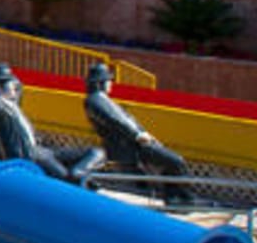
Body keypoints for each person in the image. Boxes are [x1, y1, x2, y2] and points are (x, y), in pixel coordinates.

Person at [81, 62, 194, 205]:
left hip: (134, 143)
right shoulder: (96, 100)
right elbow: (116, 120)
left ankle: (174, 196)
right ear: (100, 82)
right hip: (132, 145)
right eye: (108, 80)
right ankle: (181, 198)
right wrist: (137, 135)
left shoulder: (100, 99)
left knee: (172, 163)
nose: (111, 84)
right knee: (176, 161)